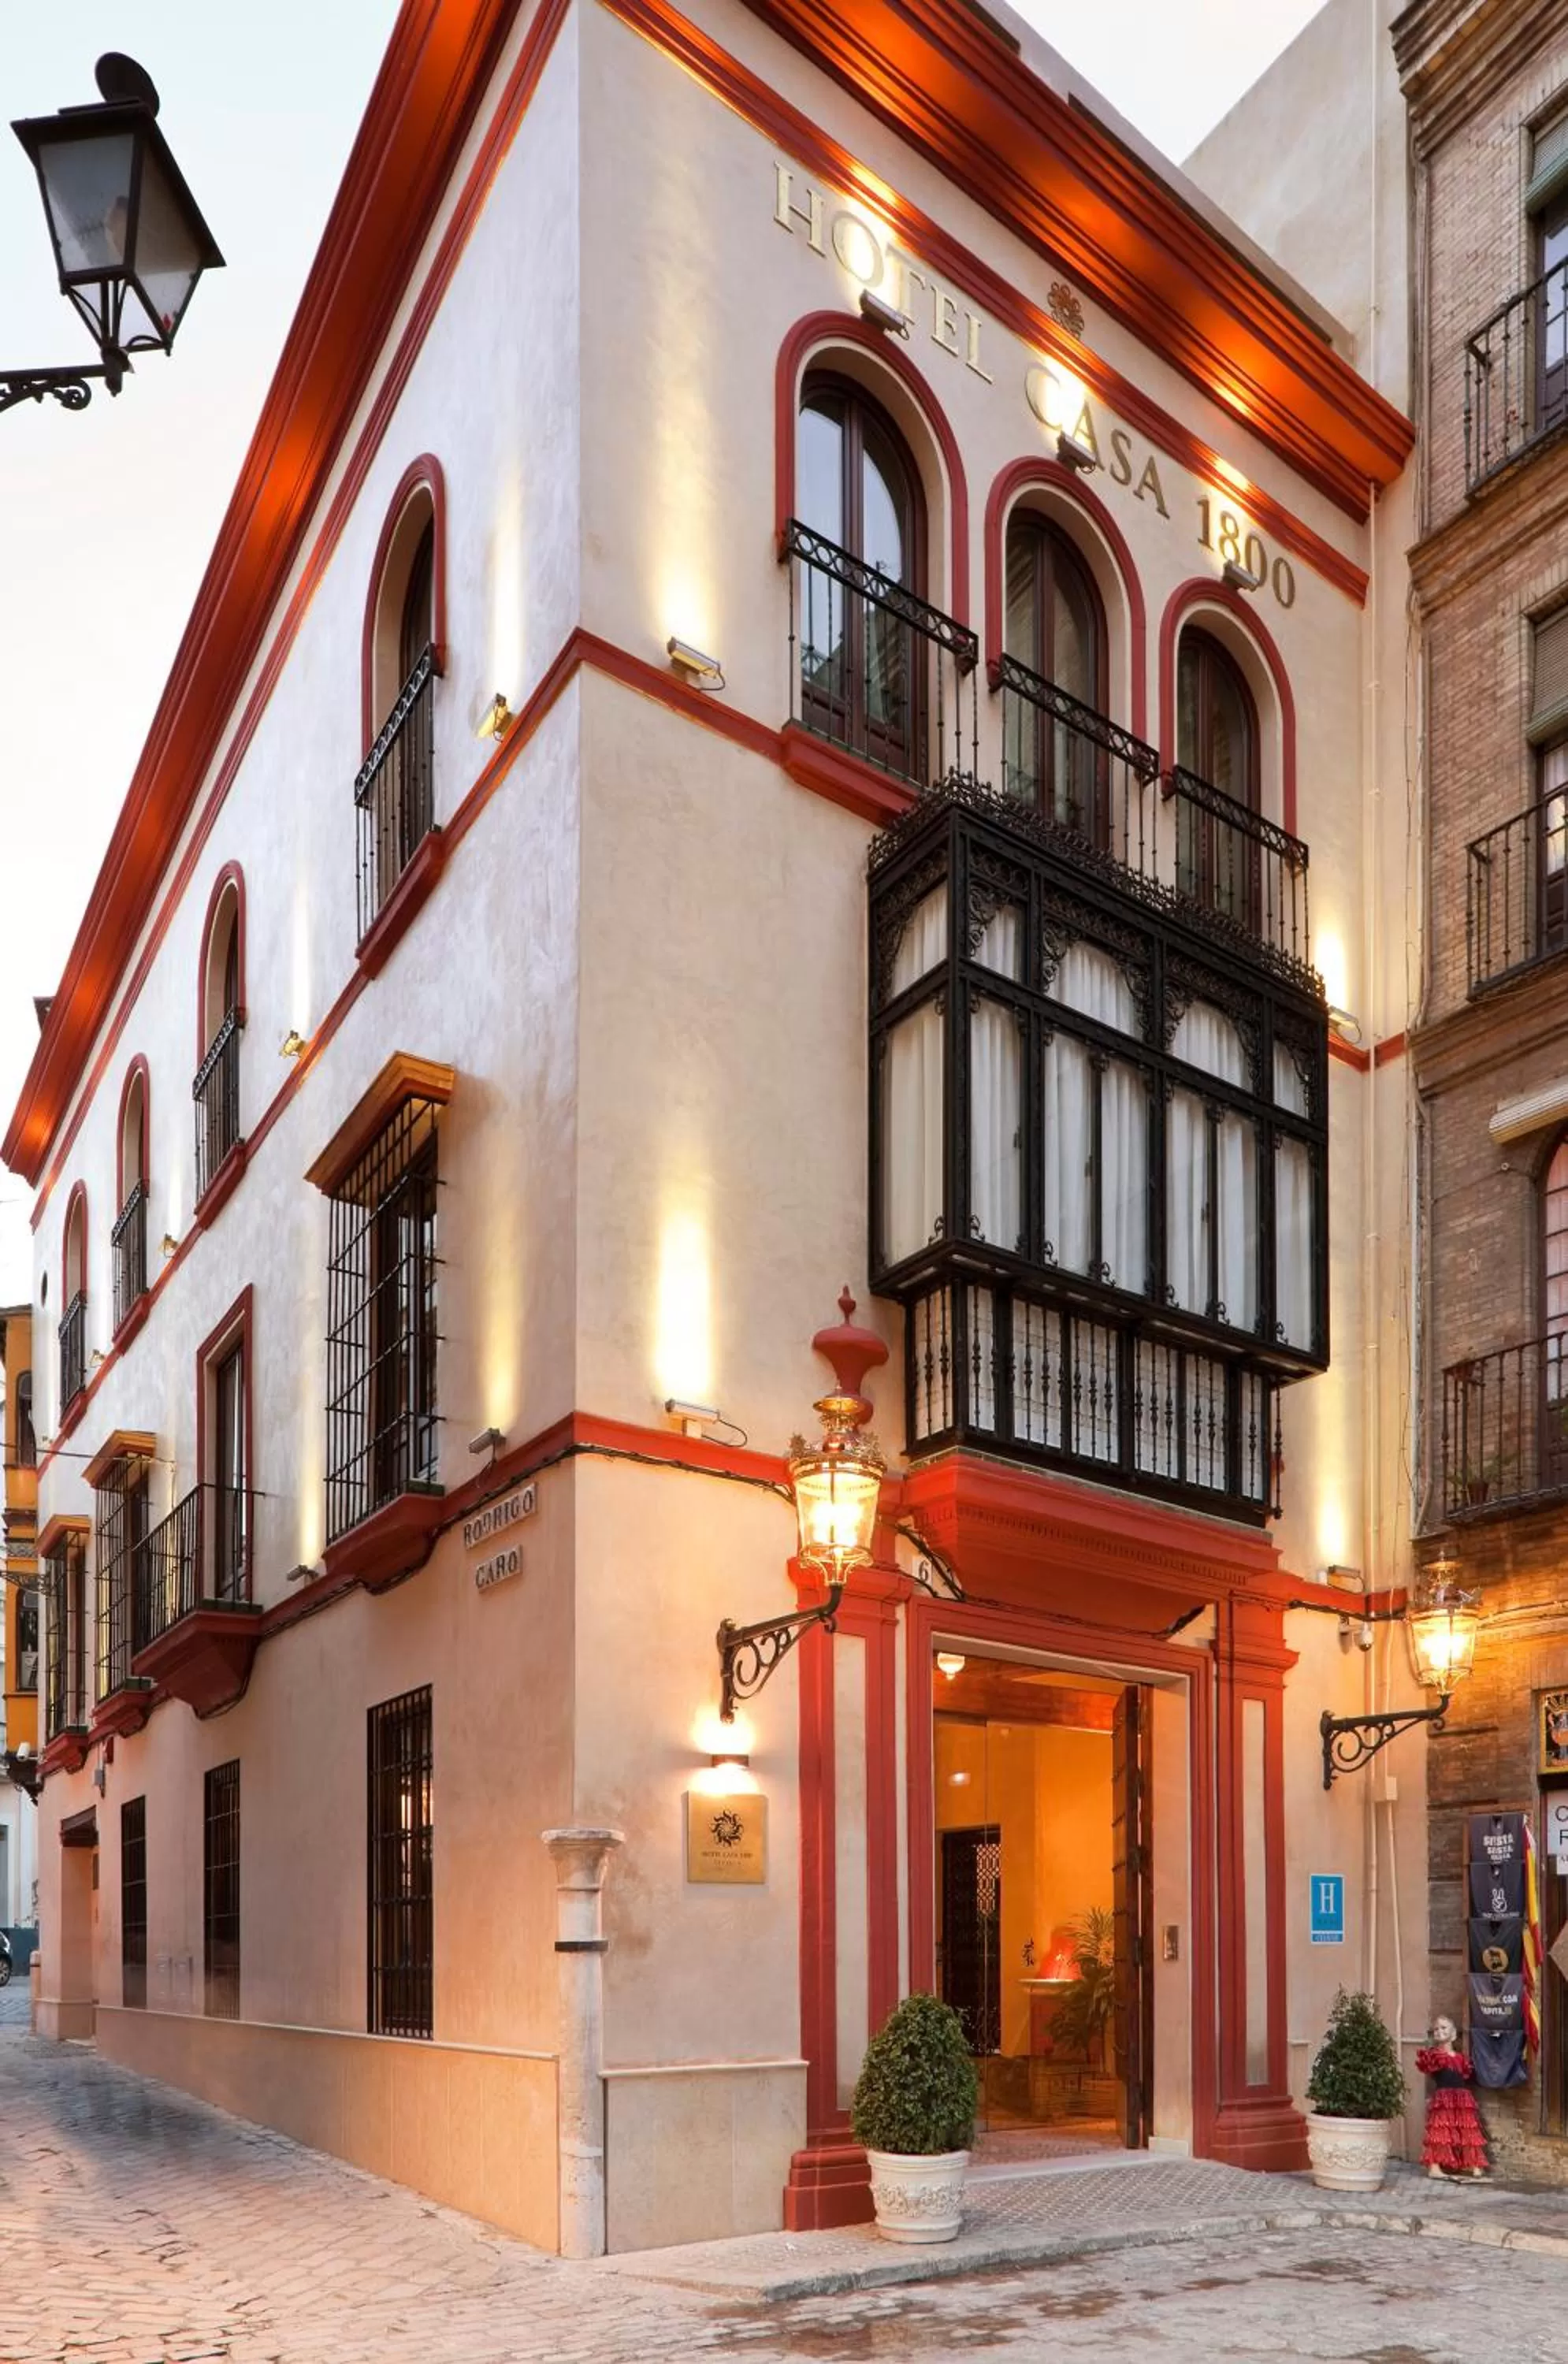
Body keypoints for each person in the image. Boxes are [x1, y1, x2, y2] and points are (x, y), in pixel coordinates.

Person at [1414, 2016, 1488, 2178]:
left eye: (1444, 2028)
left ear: (1453, 2033)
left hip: (1462, 2097)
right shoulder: (1434, 2056)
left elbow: (1466, 2074)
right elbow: (1429, 2072)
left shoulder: (1461, 2058)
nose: (1439, 2031)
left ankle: (1474, 2165)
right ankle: (1434, 2167)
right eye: (1436, 2029)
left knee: (1468, 2129)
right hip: (1443, 2096)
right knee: (1440, 2131)